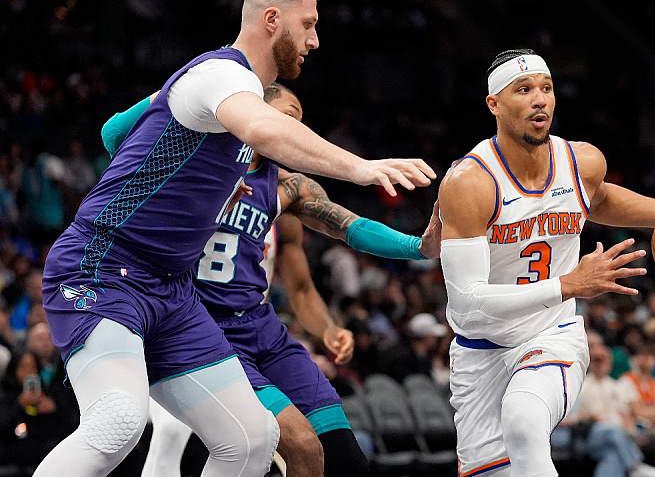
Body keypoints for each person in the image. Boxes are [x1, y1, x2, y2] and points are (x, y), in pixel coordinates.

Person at [35, 0, 435, 477]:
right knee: (119, 421)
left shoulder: (218, 94)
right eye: (308, 24)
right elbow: (261, 127)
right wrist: (360, 167)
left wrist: (179, 166)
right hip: (104, 268)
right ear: (272, 19)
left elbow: (115, 131)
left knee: (251, 438)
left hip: (174, 291)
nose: (315, 40)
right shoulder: (222, 75)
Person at [107, 83, 439, 477]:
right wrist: (182, 86)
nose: (293, 129)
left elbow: (348, 225)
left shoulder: (287, 185)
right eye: (286, 117)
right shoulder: (196, 163)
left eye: (299, 122)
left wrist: (418, 247)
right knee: (285, 446)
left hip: (261, 325)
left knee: (345, 458)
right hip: (199, 327)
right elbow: (116, 137)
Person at [437, 48, 655, 477]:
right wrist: (568, 284)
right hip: (479, 352)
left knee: (524, 420)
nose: (540, 99)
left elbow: (599, 199)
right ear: (494, 105)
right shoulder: (470, 183)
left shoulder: (582, 161)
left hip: (551, 334)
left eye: (546, 88)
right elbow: (465, 303)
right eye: (524, 90)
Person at [552, 343, 655, 477]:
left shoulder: (616, 385)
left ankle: (635, 467)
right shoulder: (584, 386)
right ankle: (636, 466)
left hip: (612, 436)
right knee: (612, 431)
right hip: (587, 435)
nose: (600, 365)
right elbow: (595, 416)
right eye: (596, 361)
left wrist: (630, 428)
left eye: (603, 361)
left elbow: (626, 413)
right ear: (591, 364)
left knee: (612, 453)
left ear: (609, 363)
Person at [618, 342, 655, 477]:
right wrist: (653, 412)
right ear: (636, 359)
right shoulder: (627, 380)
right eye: (644, 357)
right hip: (633, 429)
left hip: (651, 429)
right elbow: (636, 411)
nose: (648, 360)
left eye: (651, 357)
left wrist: (648, 412)